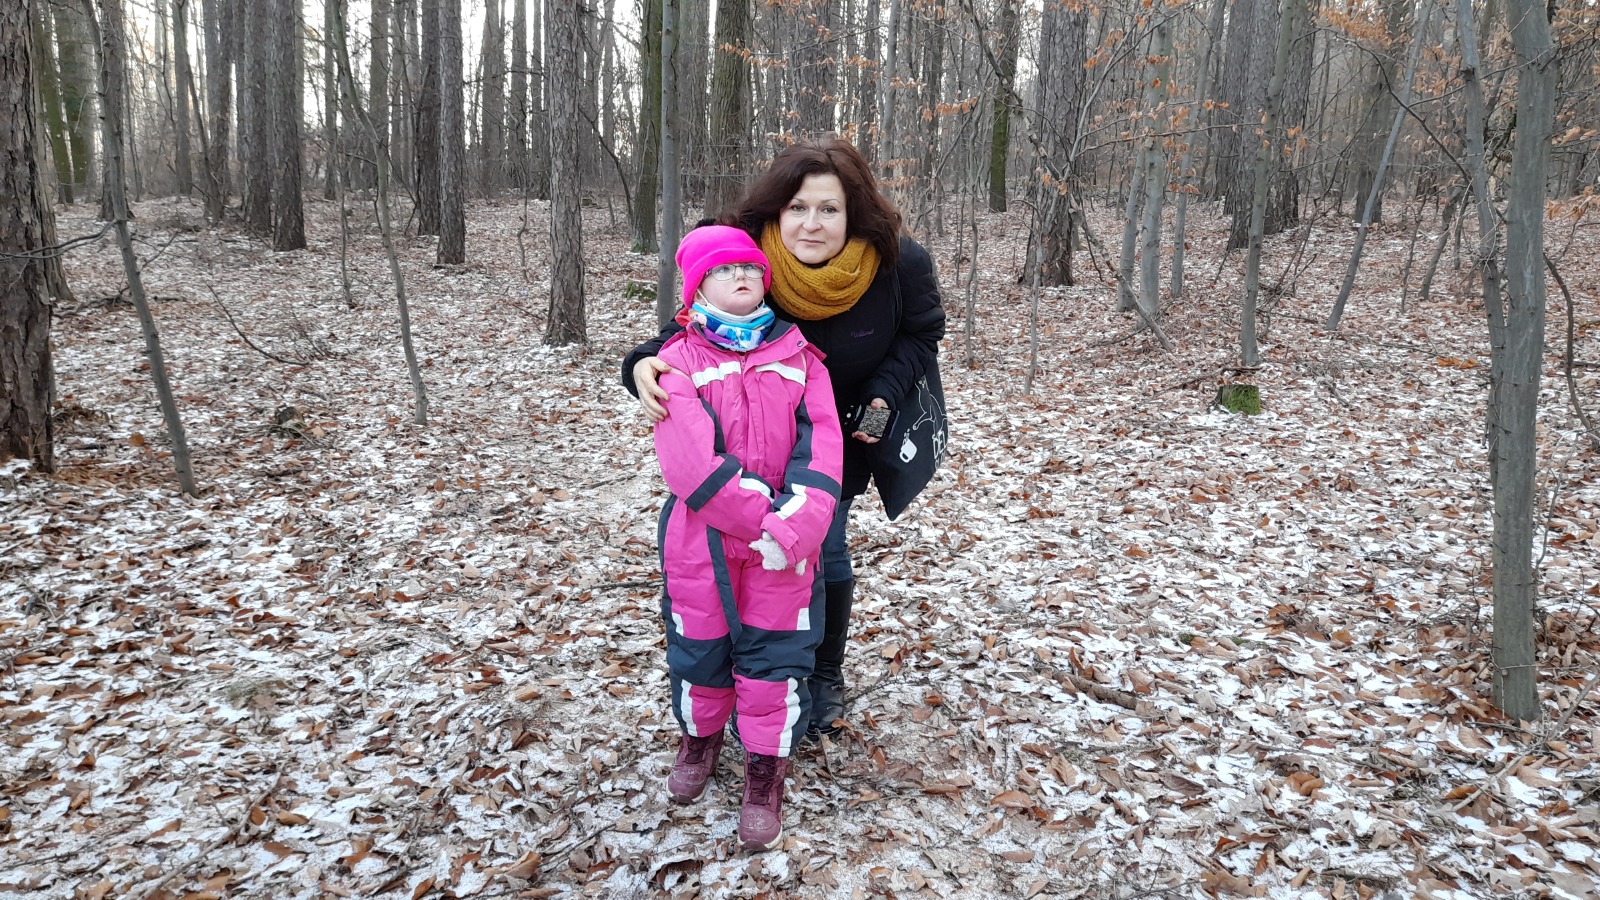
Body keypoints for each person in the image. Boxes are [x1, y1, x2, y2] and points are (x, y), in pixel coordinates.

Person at [624, 138, 945, 742]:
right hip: (749, 440)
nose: (811, 224)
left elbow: (922, 334)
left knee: (824, 549)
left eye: (829, 209)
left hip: (838, 432)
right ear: (777, 209)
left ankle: (820, 672)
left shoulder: (897, 261)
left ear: (854, 213)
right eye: (798, 207)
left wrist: (882, 393)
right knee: (747, 561)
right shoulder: (749, 255)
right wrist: (641, 361)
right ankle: (741, 672)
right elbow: (689, 323)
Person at [650, 224, 844, 851]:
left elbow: (823, 448)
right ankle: (700, 740)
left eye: (751, 268)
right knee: (699, 650)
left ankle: (765, 772)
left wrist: (796, 525)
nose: (741, 276)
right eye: (722, 270)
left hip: (786, 549)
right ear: (696, 287)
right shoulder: (676, 361)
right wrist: (764, 518)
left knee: (776, 659)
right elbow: (689, 462)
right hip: (701, 540)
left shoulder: (801, 358)